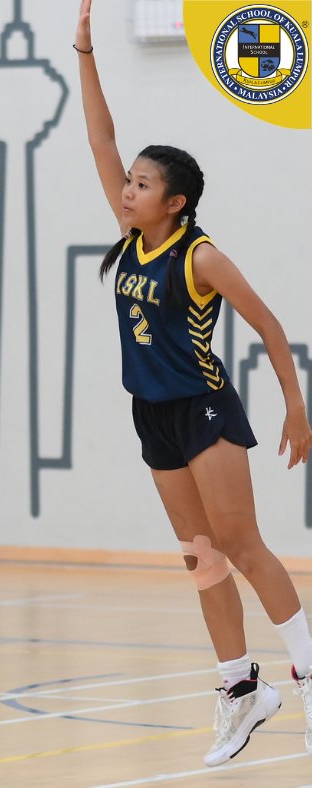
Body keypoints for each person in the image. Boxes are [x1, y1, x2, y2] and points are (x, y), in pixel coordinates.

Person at [75, 0, 312, 767]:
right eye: (129, 183)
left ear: (174, 202)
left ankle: (307, 670)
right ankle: (241, 693)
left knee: (241, 541)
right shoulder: (130, 239)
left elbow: (270, 325)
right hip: (153, 414)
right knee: (200, 556)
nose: (128, 190)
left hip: (206, 406)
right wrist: (85, 52)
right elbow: (102, 138)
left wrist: (298, 410)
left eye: (142, 185)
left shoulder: (199, 255)